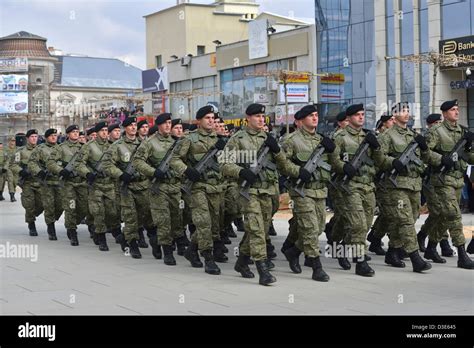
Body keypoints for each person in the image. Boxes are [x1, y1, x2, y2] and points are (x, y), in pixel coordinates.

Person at [222, 103, 287, 285]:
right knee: (257, 228)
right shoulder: (237, 139)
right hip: (247, 191)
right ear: (248, 118)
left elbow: (283, 165)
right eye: (257, 116)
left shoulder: (269, 138)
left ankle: (242, 262)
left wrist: (277, 150)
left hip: (268, 191)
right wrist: (241, 172)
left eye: (262, 116)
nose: (260, 119)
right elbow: (224, 164)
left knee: (259, 229)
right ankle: (262, 269)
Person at [280, 104, 336, 281]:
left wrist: (333, 149)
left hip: (320, 190)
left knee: (318, 227)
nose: (315, 118)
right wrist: (298, 171)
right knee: (310, 229)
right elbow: (282, 163)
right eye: (311, 115)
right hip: (301, 191)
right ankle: (316, 267)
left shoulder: (321, 139)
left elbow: (333, 163)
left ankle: (294, 251)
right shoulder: (291, 140)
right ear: (302, 120)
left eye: (316, 115)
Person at [328, 104, 385, 277]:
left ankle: (344, 246)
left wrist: (376, 147)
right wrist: (344, 167)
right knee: (358, 224)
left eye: (362, 115)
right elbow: (333, 160)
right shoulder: (340, 136)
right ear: (349, 118)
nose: (361, 117)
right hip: (349, 186)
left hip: (368, 185)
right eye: (357, 115)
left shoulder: (369, 136)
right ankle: (361, 262)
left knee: (366, 224)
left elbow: (380, 161)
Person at [376, 102, 432, 272]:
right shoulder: (387, 136)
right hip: (396, 185)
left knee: (411, 218)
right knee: (405, 220)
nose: (406, 113)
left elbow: (426, 158)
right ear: (394, 116)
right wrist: (393, 162)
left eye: (408, 110)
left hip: (414, 184)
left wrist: (424, 147)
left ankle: (392, 251)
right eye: (402, 111)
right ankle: (415, 258)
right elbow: (379, 158)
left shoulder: (413, 135)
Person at [171, 105, 226, 275]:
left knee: (214, 226)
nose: (211, 121)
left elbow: (227, 163)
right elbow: (174, 160)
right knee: (204, 223)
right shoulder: (189, 139)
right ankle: (208, 259)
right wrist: (187, 170)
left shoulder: (220, 139)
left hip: (216, 187)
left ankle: (191, 249)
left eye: (213, 118)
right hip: (197, 188)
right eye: (207, 118)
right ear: (199, 121)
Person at [423, 99, 474, 269]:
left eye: (457, 109)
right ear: (444, 113)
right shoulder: (436, 131)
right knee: (454, 215)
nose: (457, 112)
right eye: (453, 110)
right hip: (442, 180)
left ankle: (431, 247)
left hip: (458, 180)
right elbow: (424, 153)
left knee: (444, 217)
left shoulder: (462, 132)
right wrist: (440, 159)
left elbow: (469, 157)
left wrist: (470, 146)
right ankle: (461, 254)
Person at [133, 113, 188, 265]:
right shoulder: (150, 143)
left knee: (177, 219)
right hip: (159, 188)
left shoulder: (177, 142)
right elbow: (137, 161)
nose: (168, 126)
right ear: (158, 125)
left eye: (170, 123)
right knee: (163, 220)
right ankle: (167, 251)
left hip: (175, 186)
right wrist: (152, 171)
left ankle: (156, 240)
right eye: (165, 123)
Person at [102, 117, 156, 259]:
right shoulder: (117, 146)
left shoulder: (145, 144)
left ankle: (143, 239)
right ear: (125, 128)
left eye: (134, 125)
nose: (133, 128)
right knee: (130, 216)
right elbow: (107, 165)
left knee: (147, 215)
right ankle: (132, 244)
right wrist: (121, 174)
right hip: (127, 187)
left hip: (144, 185)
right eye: (130, 125)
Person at [75, 121, 121, 252]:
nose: (105, 133)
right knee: (99, 213)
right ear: (97, 132)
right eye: (102, 131)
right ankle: (102, 239)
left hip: (110, 184)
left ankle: (111, 231)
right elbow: (79, 164)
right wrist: (87, 173)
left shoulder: (113, 146)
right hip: (96, 185)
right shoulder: (89, 147)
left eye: (107, 130)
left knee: (112, 212)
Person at [47, 125, 88, 246]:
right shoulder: (61, 148)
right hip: (68, 183)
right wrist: (60, 170)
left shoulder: (84, 148)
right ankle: (72, 230)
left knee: (84, 207)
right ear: (68, 134)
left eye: (77, 132)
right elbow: (50, 163)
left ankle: (73, 223)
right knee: (71, 207)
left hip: (82, 182)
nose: (76, 134)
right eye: (73, 132)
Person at [27, 128, 63, 240]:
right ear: (46, 137)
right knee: (49, 206)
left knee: (61, 205)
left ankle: (52, 219)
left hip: (60, 182)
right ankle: (51, 227)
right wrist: (39, 172)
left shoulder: (61, 148)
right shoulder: (40, 149)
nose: (54, 137)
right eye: (51, 135)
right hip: (46, 183)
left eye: (55, 135)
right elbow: (32, 163)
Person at [10, 129, 44, 236]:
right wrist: (21, 171)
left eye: (36, 136)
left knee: (42, 204)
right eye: (32, 137)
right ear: (27, 138)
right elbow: (13, 165)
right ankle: (31, 225)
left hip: (40, 182)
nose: (34, 138)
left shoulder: (41, 150)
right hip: (28, 182)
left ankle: (32, 215)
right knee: (29, 205)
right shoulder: (20, 151)